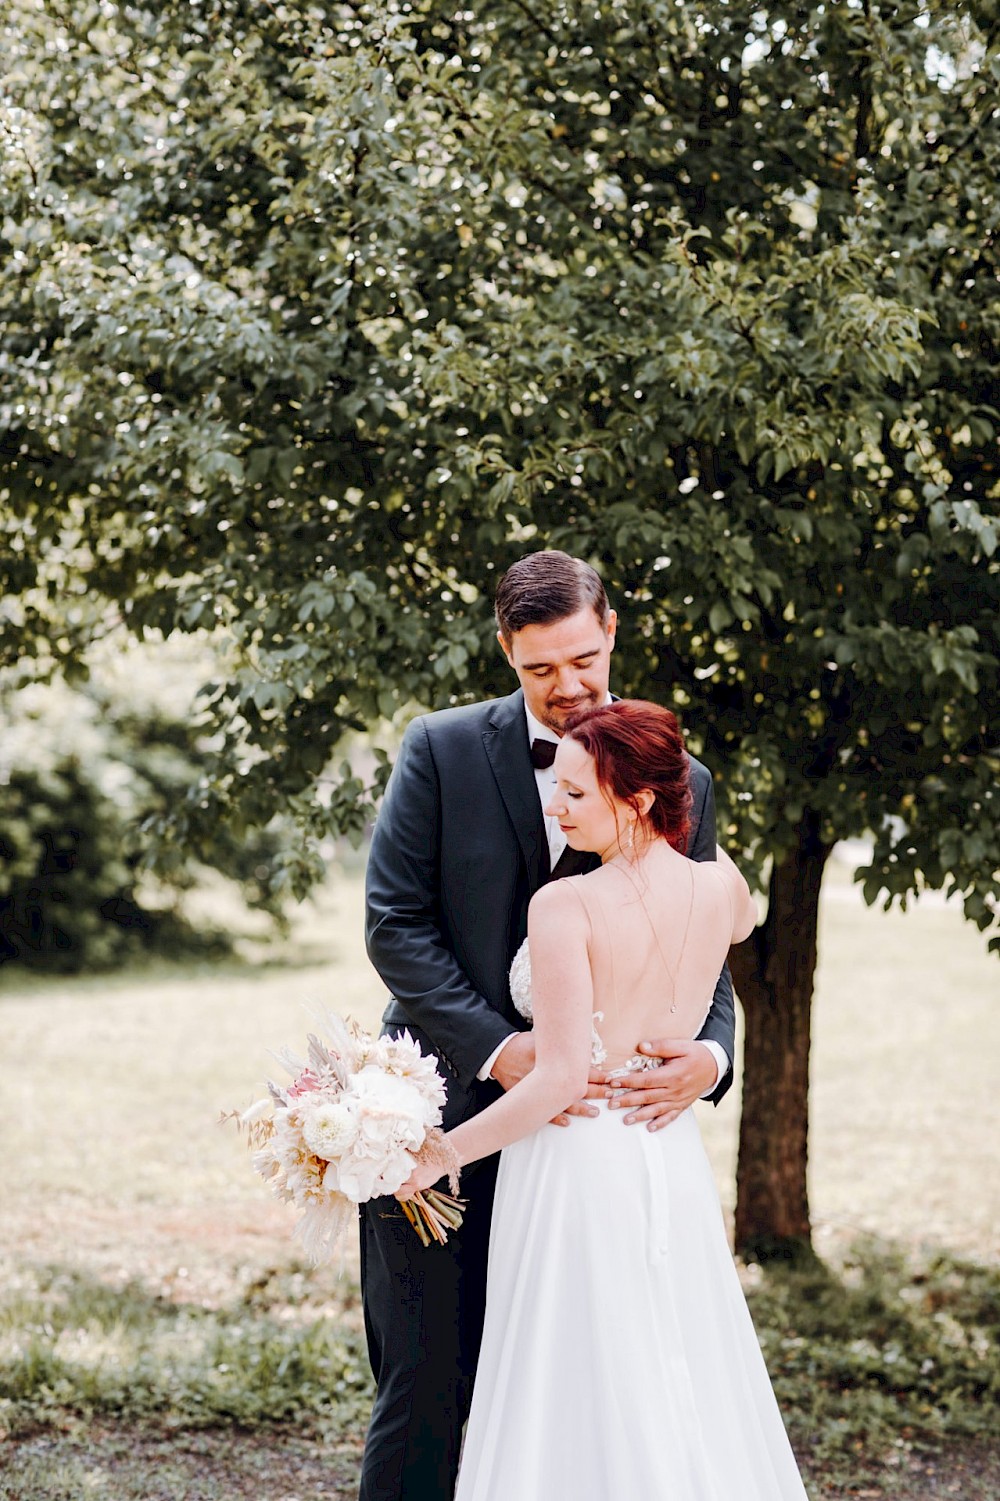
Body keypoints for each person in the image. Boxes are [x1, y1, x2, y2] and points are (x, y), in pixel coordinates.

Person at [361, 551, 735, 1500]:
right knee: (427, 1381)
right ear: (505, 652)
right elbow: (394, 922)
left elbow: (701, 934)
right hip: (447, 1099)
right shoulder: (440, 749)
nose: (568, 687)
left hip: (596, 1149)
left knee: (594, 1392)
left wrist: (712, 1053)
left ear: (610, 629)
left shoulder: (674, 770)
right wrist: (505, 1045)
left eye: (582, 660)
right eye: (539, 669)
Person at [398, 700, 810, 1500]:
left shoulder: (566, 906)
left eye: (578, 794)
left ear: (640, 797)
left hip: (574, 1164)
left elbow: (555, 1080)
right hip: (665, 1148)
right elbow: (743, 919)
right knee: (669, 1363)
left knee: (568, 1381)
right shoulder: (722, 885)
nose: (557, 807)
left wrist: (438, 1155)